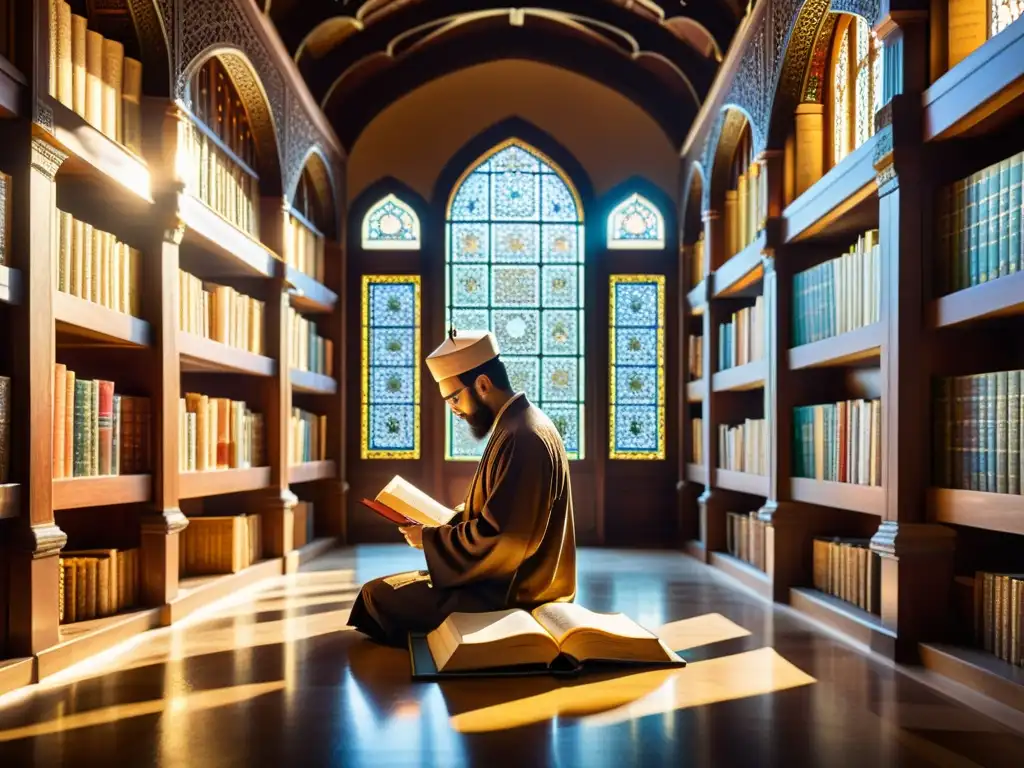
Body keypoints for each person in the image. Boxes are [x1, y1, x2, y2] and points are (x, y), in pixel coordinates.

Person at [347, 329, 577, 647]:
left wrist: (429, 539)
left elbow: (506, 541)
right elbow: (495, 517)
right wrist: (442, 526)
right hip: (499, 579)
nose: (454, 410)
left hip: (512, 594)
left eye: (454, 398)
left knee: (379, 595)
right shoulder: (519, 424)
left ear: (482, 384)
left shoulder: (524, 436)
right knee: (383, 592)